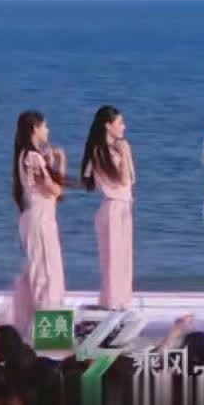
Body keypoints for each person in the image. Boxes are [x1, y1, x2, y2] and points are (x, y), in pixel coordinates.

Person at [0, 110, 67, 339]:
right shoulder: (32, 157)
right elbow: (55, 190)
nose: (47, 130)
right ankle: (51, 336)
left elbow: (54, 189)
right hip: (40, 221)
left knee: (38, 274)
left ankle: (22, 327)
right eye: (45, 126)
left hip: (38, 218)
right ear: (35, 128)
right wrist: (58, 164)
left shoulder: (27, 156)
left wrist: (55, 163)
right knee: (47, 275)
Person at [80, 105, 137, 310]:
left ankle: (122, 301)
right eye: (120, 123)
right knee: (113, 259)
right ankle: (112, 302)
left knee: (124, 258)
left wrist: (126, 153)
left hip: (123, 206)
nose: (123, 127)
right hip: (113, 207)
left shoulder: (115, 149)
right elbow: (122, 179)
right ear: (108, 125)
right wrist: (125, 152)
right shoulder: (100, 152)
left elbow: (132, 179)